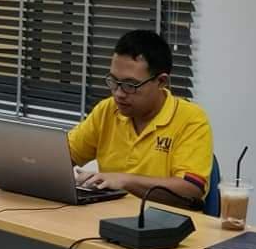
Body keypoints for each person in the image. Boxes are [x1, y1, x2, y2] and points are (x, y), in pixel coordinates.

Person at [67, 30, 213, 206]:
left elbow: (191, 189)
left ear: (161, 82)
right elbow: (62, 156)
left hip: (164, 219)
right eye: (113, 81)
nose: (119, 94)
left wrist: (125, 180)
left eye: (130, 85)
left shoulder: (191, 119)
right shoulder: (107, 110)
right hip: (109, 214)